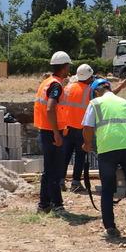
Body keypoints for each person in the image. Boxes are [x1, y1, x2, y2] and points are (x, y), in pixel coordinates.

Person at [81, 78, 126, 239]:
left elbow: (87, 127)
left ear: (95, 91)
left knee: (108, 188)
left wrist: (87, 144)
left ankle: (110, 228)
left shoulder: (95, 103)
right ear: (109, 87)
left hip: (107, 149)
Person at [33, 51, 73, 214]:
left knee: (51, 169)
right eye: (68, 66)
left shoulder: (46, 82)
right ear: (64, 67)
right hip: (51, 132)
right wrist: (57, 133)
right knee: (53, 170)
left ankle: (48, 204)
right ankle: (51, 204)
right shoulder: (56, 85)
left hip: (46, 129)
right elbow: (50, 108)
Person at [60, 64, 94, 194]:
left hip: (66, 128)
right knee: (80, 156)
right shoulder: (89, 90)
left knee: (65, 156)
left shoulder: (67, 88)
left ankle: (60, 181)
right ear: (88, 77)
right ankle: (75, 183)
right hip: (81, 129)